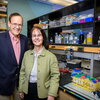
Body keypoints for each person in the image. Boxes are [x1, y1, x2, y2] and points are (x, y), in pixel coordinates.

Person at [19, 26, 60, 100]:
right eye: (34, 36)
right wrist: (21, 89)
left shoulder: (51, 56)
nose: (36, 38)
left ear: (43, 37)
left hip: (43, 92)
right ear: (31, 38)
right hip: (27, 90)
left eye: (39, 35)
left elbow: (55, 76)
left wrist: (52, 94)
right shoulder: (26, 54)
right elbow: (22, 73)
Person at [0, 13, 28, 100]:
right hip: (3, 84)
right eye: (15, 24)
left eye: (20, 24)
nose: (17, 27)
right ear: (9, 24)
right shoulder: (0, 38)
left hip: (19, 85)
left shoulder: (25, 39)